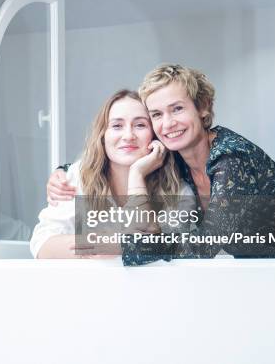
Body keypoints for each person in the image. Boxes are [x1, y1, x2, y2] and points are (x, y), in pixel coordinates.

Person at [47, 64, 275, 264]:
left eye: (177, 109)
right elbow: (116, 155)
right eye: (156, 115)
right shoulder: (178, 155)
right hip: (256, 272)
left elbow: (207, 245)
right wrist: (62, 172)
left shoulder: (230, 158)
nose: (168, 124)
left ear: (202, 106)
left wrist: (123, 244)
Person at [31, 89, 196, 259]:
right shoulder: (77, 176)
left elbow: (159, 252)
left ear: (155, 136)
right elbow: (42, 244)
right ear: (103, 136)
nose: (128, 136)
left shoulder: (178, 192)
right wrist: (113, 244)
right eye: (117, 126)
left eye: (140, 125)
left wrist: (136, 175)